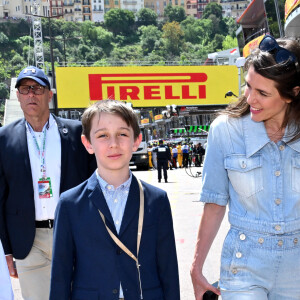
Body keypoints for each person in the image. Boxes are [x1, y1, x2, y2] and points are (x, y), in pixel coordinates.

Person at [191, 34, 300, 300]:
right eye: (248, 86)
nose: (250, 99)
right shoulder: (224, 131)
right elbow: (215, 203)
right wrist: (196, 268)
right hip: (244, 264)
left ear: (291, 95)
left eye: (263, 93)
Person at [49, 100, 180, 300]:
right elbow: (61, 274)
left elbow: (168, 269)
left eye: (123, 134)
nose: (114, 144)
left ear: (136, 140)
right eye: (102, 135)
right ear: (87, 143)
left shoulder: (157, 200)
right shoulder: (70, 204)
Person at [0, 66, 96, 300]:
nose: (31, 94)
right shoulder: (4, 138)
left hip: (74, 235)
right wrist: (7, 249)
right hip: (28, 241)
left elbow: (94, 185)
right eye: (25, 89)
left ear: (49, 94)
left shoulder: (76, 132)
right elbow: (1, 197)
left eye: (37, 88)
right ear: (18, 96)